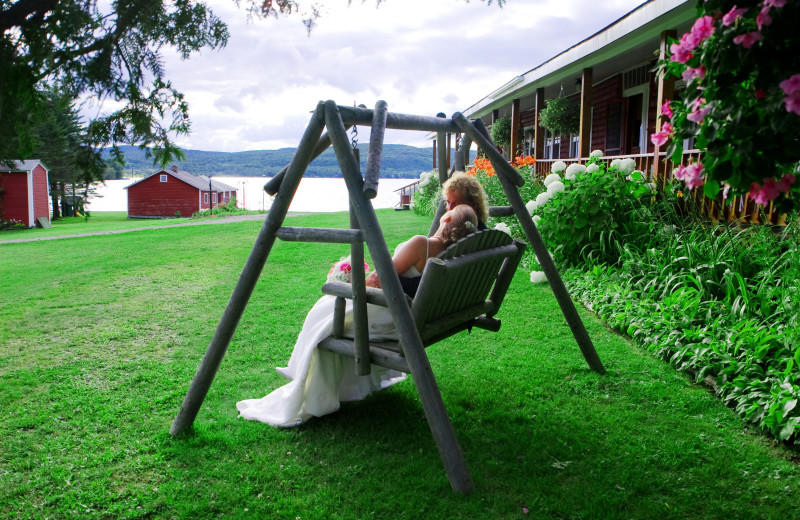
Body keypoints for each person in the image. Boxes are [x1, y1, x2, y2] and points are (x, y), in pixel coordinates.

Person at [236, 205, 478, 428]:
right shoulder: (456, 253)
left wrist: (351, 283)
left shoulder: (422, 244)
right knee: (328, 310)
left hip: (394, 319)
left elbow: (378, 278)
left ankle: (302, 378)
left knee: (326, 309)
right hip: (417, 317)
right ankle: (310, 376)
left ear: (445, 219)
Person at [398, 172, 490, 297]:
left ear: (472, 205)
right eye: (448, 202)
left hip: (429, 306)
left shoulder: (461, 239)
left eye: (455, 204)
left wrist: (393, 281)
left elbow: (437, 284)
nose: (449, 208)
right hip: (462, 303)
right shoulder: (485, 237)